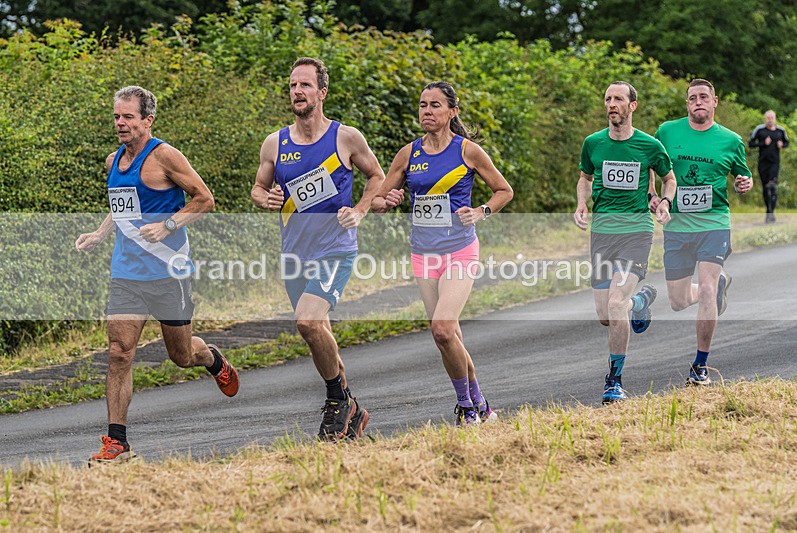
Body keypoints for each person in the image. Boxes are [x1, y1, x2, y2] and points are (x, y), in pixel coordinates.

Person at [75, 86, 239, 464]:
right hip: (127, 274)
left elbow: (205, 199)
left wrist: (168, 224)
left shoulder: (165, 156)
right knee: (119, 353)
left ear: (147, 120)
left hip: (169, 272)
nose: (120, 123)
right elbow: (123, 208)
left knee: (181, 356)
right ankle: (118, 443)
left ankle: (212, 359)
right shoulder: (113, 161)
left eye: (128, 117)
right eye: (117, 116)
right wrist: (100, 233)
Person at [251, 57, 385, 441]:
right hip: (294, 254)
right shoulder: (275, 143)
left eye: (305, 85)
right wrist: (266, 199)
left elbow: (376, 176)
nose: (297, 91)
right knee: (317, 332)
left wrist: (359, 211)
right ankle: (350, 408)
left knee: (308, 321)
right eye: (293, 85)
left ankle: (335, 402)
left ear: (322, 92)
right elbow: (257, 188)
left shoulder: (345, 138)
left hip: (335, 249)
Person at [372, 81, 513, 426]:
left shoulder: (468, 152)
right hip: (423, 254)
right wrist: (386, 201)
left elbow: (504, 190)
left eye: (435, 105)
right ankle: (481, 403)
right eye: (422, 105)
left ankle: (466, 406)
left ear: (452, 112)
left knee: (442, 329)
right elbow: (376, 200)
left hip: (460, 250)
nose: (427, 111)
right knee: (450, 337)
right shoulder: (408, 154)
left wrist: (482, 211)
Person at [574, 81, 675, 404]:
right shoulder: (593, 143)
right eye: (607, 99)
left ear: (632, 106)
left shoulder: (649, 146)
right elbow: (585, 178)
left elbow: (668, 178)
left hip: (636, 231)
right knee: (606, 314)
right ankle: (639, 303)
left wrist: (665, 202)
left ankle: (614, 380)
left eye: (618, 99)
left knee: (616, 303)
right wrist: (581, 204)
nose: (611, 104)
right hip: (603, 234)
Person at [652, 79, 753, 385]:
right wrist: (651, 197)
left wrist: (742, 183)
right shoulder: (667, 132)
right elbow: (649, 167)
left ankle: (700, 366)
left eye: (703, 97)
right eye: (692, 98)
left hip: (714, 224)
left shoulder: (731, 140)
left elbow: (742, 176)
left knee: (706, 289)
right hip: (677, 226)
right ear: (687, 105)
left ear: (714, 102)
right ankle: (719, 285)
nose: (698, 101)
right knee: (678, 301)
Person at [748, 110, 789, 223]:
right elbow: (750, 144)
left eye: (772, 117)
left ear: (775, 118)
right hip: (763, 163)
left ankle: (771, 212)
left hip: (774, 163)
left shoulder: (780, 131)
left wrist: (782, 145)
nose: (770, 120)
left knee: (772, 186)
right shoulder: (760, 130)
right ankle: (768, 211)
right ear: (765, 119)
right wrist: (762, 144)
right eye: (768, 118)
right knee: (766, 188)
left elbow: (787, 143)